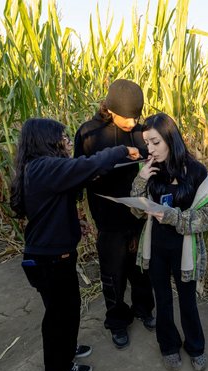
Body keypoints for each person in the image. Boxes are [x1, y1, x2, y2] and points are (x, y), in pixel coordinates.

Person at [10, 117, 141, 371]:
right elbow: (88, 164)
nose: (69, 141)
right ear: (47, 141)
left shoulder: (37, 169)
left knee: (67, 308)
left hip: (52, 255)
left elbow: (73, 184)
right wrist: (122, 150)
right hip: (50, 259)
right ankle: (57, 369)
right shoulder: (45, 167)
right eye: (63, 137)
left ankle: (66, 350)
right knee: (60, 313)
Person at [130, 113, 208, 371]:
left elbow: (207, 216)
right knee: (163, 298)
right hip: (156, 247)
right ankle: (168, 345)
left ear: (170, 138)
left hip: (184, 248)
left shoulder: (197, 171)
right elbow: (136, 211)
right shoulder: (148, 171)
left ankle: (195, 346)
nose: (151, 149)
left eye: (155, 142)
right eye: (147, 143)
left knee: (188, 300)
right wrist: (140, 180)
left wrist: (172, 217)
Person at [74, 79, 156, 350]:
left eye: (136, 117)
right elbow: (76, 175)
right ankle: (117, 321)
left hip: (140, 217)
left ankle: (144, 309)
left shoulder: (142, 132)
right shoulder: (89, 133)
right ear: (109, 108)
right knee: (113, 273)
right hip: (108, 218)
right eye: (126, 117)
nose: (131, 124)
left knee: (142, 269)